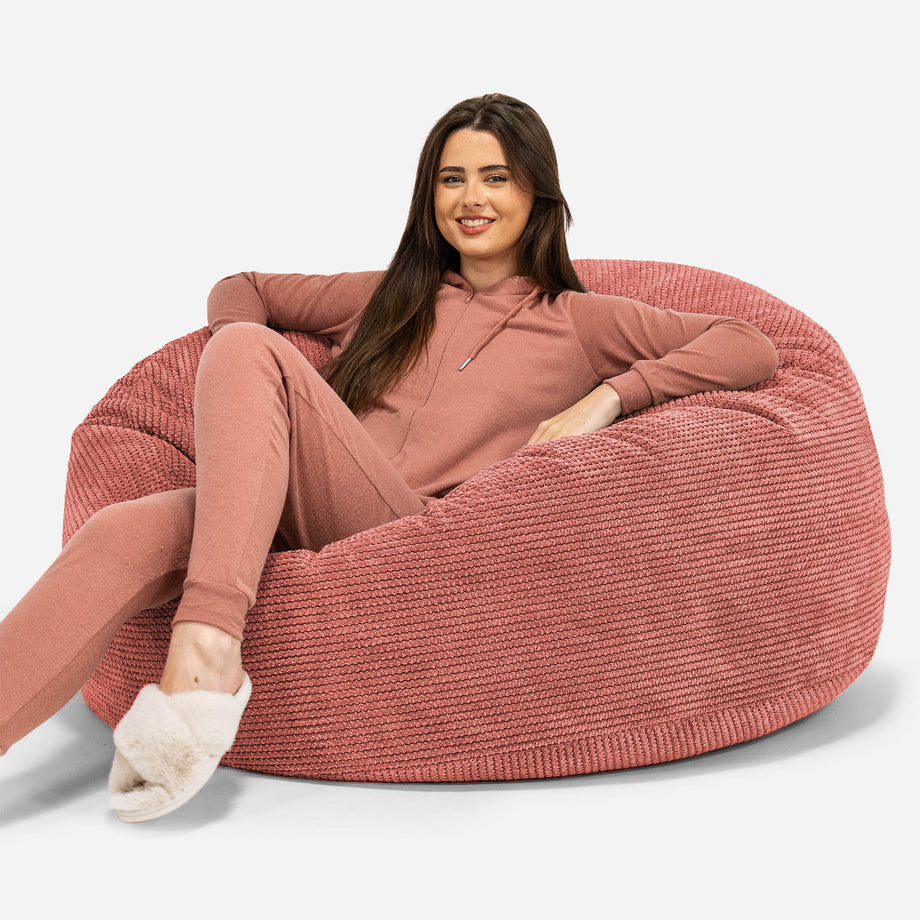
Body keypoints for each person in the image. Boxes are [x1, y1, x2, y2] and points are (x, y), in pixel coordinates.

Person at [0, 93, 779, 821]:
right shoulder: (390, 297)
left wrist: (609, 396)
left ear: (538, 193)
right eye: (451, 178)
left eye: (496, 177)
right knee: (122, 529)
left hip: (403, 530)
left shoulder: (579, 319)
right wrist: (245, 396)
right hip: (285, 500)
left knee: (244, 351)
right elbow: (241, 287)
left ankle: (209, 645)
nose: (471, 198)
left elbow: (749, 345)